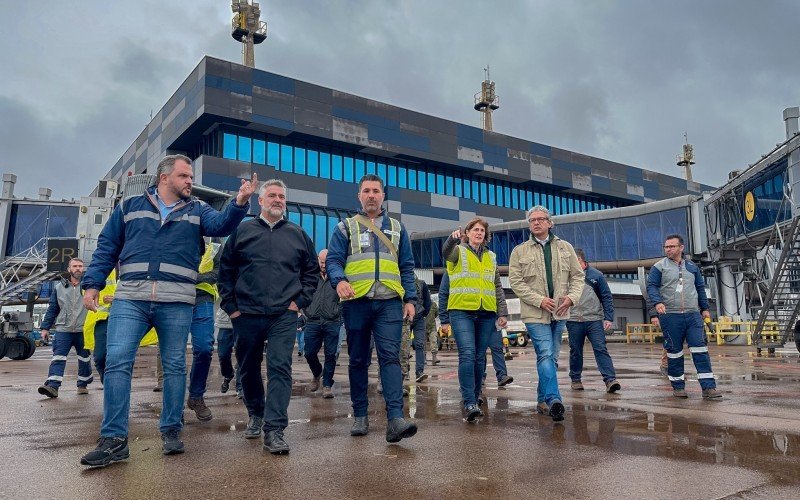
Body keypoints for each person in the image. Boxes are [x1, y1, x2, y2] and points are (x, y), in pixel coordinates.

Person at [79, 154, 254, 467]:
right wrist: (91, 284)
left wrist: (239, 203)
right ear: (164, 178)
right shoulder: (129, 207)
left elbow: (221, 225)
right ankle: (114, 439)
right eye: (185, 176)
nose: (190, 182)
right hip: (131, 297)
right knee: (118, 361)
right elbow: (107, 247)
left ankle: (172, 430)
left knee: (174, 365)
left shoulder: (197, 209)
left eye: (190, 177)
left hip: (176, 299)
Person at [218, 179, 319, 455]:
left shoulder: (298, 234)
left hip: (283, 315)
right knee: (248, 368)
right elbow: (225, 271)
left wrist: (298, 303)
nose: (277, 200)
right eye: (272, 195)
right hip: (246, 314)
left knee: (280, 368)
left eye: (282, 196)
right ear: (260, 201)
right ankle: (256, 412)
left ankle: (274, 430)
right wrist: (232, 307)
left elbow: (311, 274)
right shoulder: (242, 231)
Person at [326, 174, 418, 443]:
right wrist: (339, 280)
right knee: (358, 360)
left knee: (390, 358)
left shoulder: (398, 229)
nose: (371, 195)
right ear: (359, 196)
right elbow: (333, 260)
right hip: (356, 303)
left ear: (383, 196)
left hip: (389, 302)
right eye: (366, 191)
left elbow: (407, 267)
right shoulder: (345, 227)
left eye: (376, 191)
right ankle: (360, 415)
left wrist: (411, 299)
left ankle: (395, 419)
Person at [509, 205, 584, 422]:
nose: (536, 223)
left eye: (540, 219)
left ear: (550, 223)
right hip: (535, 313)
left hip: (560, 312)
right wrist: (538, 300)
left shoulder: (565, 248)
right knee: (544, 353)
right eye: (532, 220)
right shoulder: (519, 251)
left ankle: (542, 399)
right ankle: (554, 400)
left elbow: (578, 277)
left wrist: (571, 298)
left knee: (552, 357)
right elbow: (516, 282)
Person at [441, 217, 508, 423]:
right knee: (468, 353)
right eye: (475, 230)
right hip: (462, 311)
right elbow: (445, 253)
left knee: (480, 356)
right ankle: (469, 400)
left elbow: (497, 286)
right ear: (467, 233)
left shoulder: (492, 257)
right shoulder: (457, 252)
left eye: (482, 231)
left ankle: (476, 394)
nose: (479, 233)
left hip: (486, 312)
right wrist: (451, 240)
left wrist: (502, 312)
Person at [646, 234, 721, 399]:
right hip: (670, 315)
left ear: (681, 248)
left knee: (700, 349)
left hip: (693, 314)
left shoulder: (692, 267)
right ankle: (678, 387)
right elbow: (651, 287)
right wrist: (657, 303)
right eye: (666, 247)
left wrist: (705, 308)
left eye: (672, 246)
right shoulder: (658, 267)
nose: (668, 249)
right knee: (674, 352)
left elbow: (700, 288)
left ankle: (709, 387)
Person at [438, 272, 512, 404]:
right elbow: (444, 292)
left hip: (487, 316)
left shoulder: (489, 258)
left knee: (485, 352)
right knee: (468, 354)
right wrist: (444, 319)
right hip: (463, 315)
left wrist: (502, 313)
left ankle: (481, 388)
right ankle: (469, 397)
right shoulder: (456, 258)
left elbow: (497, 289)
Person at [566, 248, 621, 393]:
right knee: (575, 351)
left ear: (581, 260)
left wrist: (608, 317)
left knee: (600, 348)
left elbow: (606, 297)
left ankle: (610, 380)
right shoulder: (566, 276)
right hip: (573, 320)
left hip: (594, 320)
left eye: (573, 260)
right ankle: (576, 379)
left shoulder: (596, 276)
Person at [37, 258, 92, 398]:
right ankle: (53, 387)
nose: (78, 268)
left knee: (84, 358)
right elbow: (53, 309)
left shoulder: (89, 287)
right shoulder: (58, 288)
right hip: (63, 329)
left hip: (83, 329)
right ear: (69, 269)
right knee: (58, 357)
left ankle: (83, 384)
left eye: (80, 266)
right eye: (75, 266)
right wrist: (45, 328)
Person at [185, 239, 221, 421]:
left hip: (203, 300)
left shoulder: (214, 247)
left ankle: (196, 395)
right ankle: (174, 406)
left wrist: (196, 277)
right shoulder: (177, 235)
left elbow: (219, 272)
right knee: (172, 353)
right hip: (176, 298)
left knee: (205, 348)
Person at [303, 249, 343, 399]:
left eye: (326, 262)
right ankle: (317, 373)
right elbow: (304, 292)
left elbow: (344, 297)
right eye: (321, 262)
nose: (324, 265)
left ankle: (327, 385)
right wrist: (306, 310)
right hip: (313, 320)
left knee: (331, 354)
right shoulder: (311, 276)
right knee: (309, 353)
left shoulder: (337, 277)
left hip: (332, 321)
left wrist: (337, 311)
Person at [400, 277, 432, 383]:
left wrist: (423, 314)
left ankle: (419, 372)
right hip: (405, 318)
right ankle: (405, 371)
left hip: (418, 318)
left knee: (420, 344)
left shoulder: (422, 284)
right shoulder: (400, 282)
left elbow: (428, 302)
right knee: (404, 345)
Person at [216, 299, 242, 398]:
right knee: (223, 354)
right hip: (225, 321)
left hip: (244, 320)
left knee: (242, 354)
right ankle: (228, 375)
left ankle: (240, 387)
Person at [425, 300, 440, 365]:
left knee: (434, 341)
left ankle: (434, 358)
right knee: (422, 343)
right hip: (422, 326)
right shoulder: (421, 302)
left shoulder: (433, 304)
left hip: (432, 326)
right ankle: (423, 358)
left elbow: (436, 314)